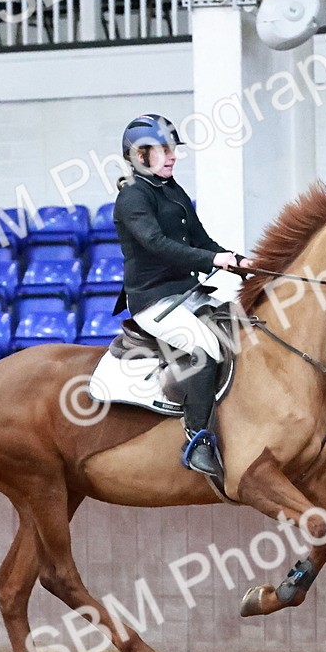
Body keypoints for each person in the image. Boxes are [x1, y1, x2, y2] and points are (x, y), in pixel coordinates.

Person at [112, 113, 253, 478]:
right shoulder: (132, 197)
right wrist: (213, 260)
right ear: (140, 154)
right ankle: (197, 440)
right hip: (154, 301)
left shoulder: (172, 190)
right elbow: (156, 243)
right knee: (204, 348)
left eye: (172, 149)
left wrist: (238, 260)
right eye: (164, 149)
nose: (173, 156)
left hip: (187, 294)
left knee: (244, 328)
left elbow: (201, 240)